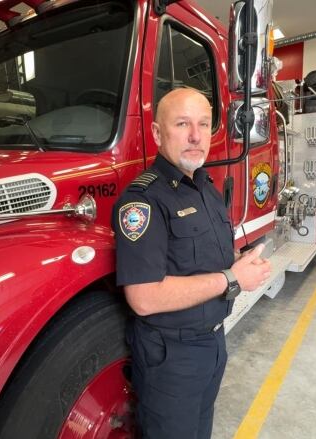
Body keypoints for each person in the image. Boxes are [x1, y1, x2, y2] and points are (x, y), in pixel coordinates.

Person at [113, 87, 272, 438]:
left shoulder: (205, 188)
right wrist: (232, 278)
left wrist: (238, 261)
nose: (196, 136)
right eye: (183, 123)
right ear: (158, 133)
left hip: (213, 344)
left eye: (204, 124)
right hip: (172, 358)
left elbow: (201, 257)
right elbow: (144, 297)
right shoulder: (143, 201)